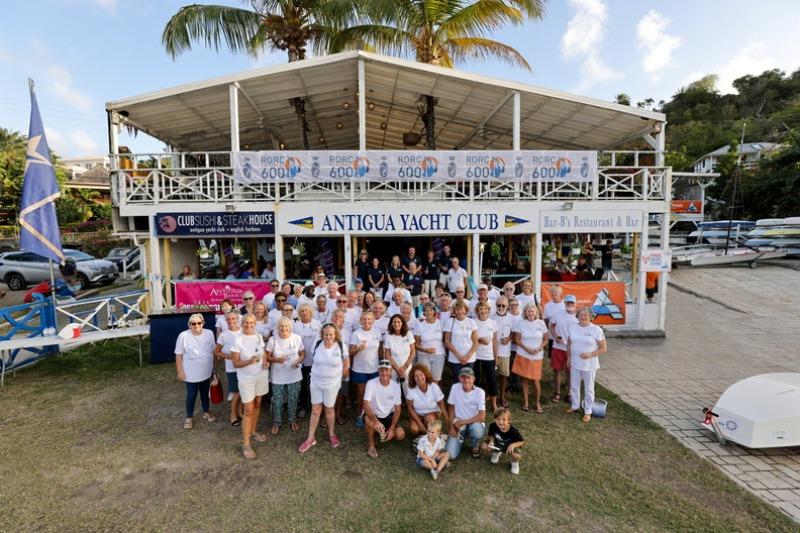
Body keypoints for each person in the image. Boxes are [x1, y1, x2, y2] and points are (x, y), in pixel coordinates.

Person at [299, 323, 350, 452]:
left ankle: (332, 434)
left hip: (332, 384)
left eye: (331, 334)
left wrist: (339, 378)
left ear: (335, 334)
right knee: (316, 410)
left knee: (329, 408)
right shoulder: (317, 344)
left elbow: (346, 364)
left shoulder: (341, 346)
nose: (328, 337)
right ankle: (310, 438)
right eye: (326, 334)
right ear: (322, 334)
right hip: (316, 381)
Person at [231, 314, 269, 459]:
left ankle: (253, 431)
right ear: (242, 324)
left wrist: (265, 362)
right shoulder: (238, 340)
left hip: (261, 375)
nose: (249, 325)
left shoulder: (258, 336)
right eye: (246, 323)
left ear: (255, 324)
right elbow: (235, 363)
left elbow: (264, 353)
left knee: (258, 403)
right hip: (246, 378)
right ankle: (246, 443)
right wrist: (249, 361)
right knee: (248, 409)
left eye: (252, 323)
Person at [174, 313, 216, 429]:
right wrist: (180, 371)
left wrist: (214, 369)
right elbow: (178, 355)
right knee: (191, 395)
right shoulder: (183, 336)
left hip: (206, 371)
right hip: (191, 373)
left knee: (205, 393)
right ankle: (189, 417)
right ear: (189, 325)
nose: (196, 325)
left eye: (199, 323)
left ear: (203, 323)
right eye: (193, 323)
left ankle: (206, 412)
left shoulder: (209, 333)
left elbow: (213, 351)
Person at [566, 308, 607, 423]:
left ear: (590, 316)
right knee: (574, 385)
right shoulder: (573, 327)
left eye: (585, 315)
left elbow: (603, 348)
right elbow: (569, 343)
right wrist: (568, 358)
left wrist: (591, 354)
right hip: (575, 362)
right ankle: (575, 406)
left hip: (589, 364)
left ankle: (588, 411)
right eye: (581, 315)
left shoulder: (596, 329)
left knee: (589, 388)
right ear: (577, 316)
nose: (583, 317)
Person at [266, 317, 305, 435]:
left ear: (290, 327)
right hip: (278, 375)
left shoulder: (296, 338)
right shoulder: (273, 340)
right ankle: (277, 422)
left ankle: (292, 420)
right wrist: (276, 359)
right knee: (277, 400)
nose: (284, 328)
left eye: (286, 326)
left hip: (294, 374)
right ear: (277, 328)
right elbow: (267, 356)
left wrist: (298, 361)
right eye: (281, 326)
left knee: (293, 399)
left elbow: (303, 353)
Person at [363, 360, 405, 458]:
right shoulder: (371, 383)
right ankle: (371, 445)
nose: (384, 373)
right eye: (382, 370)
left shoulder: (395, 386)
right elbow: (365, 405)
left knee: (400, 435)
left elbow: (398, 409)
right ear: (378, 371)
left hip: (388, 415)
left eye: (387, 370)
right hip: (374, 415)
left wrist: (392, 428)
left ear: (391, 372)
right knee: (368, 420)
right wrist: (375, 421)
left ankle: (383, 433)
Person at [512, 303, 548, 413]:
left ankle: (537, 403)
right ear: (525, 313)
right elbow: (517, 340)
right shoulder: (520, 323)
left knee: (536, 381)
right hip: (524, 354)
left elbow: (545, 339)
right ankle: (526, 402)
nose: (531, 313)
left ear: (536, 312)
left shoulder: (541, 323)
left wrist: (539, 348)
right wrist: (527, 348)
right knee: (525, 380)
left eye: (533, 311)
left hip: (537, 356)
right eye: (528, 311)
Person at [445, 367, 486, 460]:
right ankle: (461, 435)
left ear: (473, 379)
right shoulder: (455, 387)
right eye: (463, 377)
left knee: (476, 430)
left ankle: (474, 445)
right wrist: (451, 427)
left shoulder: (480, 392)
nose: (466, 380)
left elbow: (482, 417)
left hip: (473, 423)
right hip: (458, 424)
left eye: (469, 377)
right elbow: (451, 408)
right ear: (460, 378)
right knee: (451, 454)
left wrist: (463, 422)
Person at [350, 311, 382, 428]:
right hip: (360, 369)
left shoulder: (377, 332)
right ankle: (360, 414)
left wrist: (382, 363)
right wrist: (358, 348)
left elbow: (380, 350)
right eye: (364, 319)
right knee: (361, 393)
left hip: (374, 368)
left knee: (373, 393)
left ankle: (373, 415)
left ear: (373, 320)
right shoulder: (356, 333)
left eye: (369, 319)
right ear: (361, 321)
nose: (367, 321)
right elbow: (351, 352)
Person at [215, 310, 243, 426]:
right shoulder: (223, 335)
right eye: (228, 320)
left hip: (244, 367)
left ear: (237, 319)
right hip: (232, 368)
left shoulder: (244, 332)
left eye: (233, 319)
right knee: (236, 392)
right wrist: (228, 356)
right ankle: (233, 415)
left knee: (242, 391)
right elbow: (217, 352)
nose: (231, 321)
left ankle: (240, 413)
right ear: (225, 321)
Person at [294, 303, 321, 418]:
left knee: (314, 385)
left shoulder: (318, 324)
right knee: (302, 385)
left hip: (315, 361)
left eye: (306, 311)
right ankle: (303, 407)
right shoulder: (296, 325)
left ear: (311, 312)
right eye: (302, 311)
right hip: (301, 360)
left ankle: (315, 407)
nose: (304, 313)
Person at [550, 294, 578, 404]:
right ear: (564, 303)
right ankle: (557, 393)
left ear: (575, 304)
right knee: (557, 371)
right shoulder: (557, 314)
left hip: (573, 349)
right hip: (558, 347)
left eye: (572, 303)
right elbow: (551, 326)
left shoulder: (579, 316)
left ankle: (569, 394)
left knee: (570, 372)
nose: (570, 305)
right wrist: (556, 337)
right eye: (568, 303)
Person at [405, 364, 448, 435]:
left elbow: (442, 405)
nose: (419, 378)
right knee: (414, 429)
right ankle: (429, 430)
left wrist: (448, 421)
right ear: (413, 378)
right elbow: (410, 408)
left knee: (429, 419)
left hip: (431, 413)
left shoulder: (434, 387)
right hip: (418, 414)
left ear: (425, 375)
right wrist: (420, 424)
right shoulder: (411, 389)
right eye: (416, 376)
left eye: (421, 374)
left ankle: (430, 429)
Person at [482, 407, 524, 475]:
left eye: (504, 419)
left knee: (517, 455)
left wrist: (512, 445)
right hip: (498, 444)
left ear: (509, 421)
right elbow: (491, 435)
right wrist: (491, 441)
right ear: (495, 419)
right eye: (498, 419)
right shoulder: (493, 426)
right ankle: (496, 452)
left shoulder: (513, 431)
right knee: (484, 446)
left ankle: (515, 463)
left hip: (508, 447)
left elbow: (521, 441)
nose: (501, 422)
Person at [473, 302, 499, 411]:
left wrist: (496, 356)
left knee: (491, 380)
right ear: (477, 311)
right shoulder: (473, 322)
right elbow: (469, 339)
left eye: (485, 309)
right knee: (477, 380)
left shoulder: (493, 323)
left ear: (488, 311)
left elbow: (495, 341)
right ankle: (477, 404)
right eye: (481, 309)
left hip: (489, 356)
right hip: (475, 356)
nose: (483, 311)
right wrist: (479, 340)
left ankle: (494, 404)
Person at [443, 300, 478, 377]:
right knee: (457, 380)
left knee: (468, 380)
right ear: (454, 311)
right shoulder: (450, 322)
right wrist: (459, 356)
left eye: (462, 309)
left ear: (466, 310)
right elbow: (447, 341)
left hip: (469, 358)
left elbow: (475, 342)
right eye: (457, 309)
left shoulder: (472, 322)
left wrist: (467, 356)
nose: (460, 311)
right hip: (455, 358)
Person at [414, 303, 445, 384]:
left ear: (434, 311)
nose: (429, 312)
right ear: (423, 312)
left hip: (439, 354)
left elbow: (446, 340)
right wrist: (425, 350)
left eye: (431, 310)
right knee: (425, 379)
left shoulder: (441, 323)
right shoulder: (419, 325)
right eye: (426, 311)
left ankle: (435, 396)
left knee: (436, 379)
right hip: (423, 355)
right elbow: (416, 344)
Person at [492, 296, 515, 408]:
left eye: (503, 305)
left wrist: (509, 338)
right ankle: (492, 396)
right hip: (492, 352)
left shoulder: (511, 318)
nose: (501, 307)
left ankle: (502, 396)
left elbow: (514, 332)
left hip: (505, 352)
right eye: (499, 305)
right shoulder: (491, 317)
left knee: (504, 375)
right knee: (492, 376)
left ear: (507, 306)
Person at [331, 309, 353, 425]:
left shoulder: (348, 333)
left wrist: (346, 368)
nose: (337, 318)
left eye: (340, 317)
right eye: (335, 316)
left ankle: (338, 413)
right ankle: (327, 416)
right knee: (328, 392)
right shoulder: (325, 330)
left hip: (343, 368)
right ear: (331, 318)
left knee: (340, 393)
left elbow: (349, 351)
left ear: (343, 321)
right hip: (328, 369)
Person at [383, 314, 415, 391]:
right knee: (394, 390)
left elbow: (413, 352)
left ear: (402, 323)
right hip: (393, 366)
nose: (396, 324)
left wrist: (404, 368)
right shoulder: (388, 336)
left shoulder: (408, 334)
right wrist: (397, 369)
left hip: (407, 365)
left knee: (408, 389)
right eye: (394, 322)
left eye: (398, 322)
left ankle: (408, 402)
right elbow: (387, 355)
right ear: (391, 324)